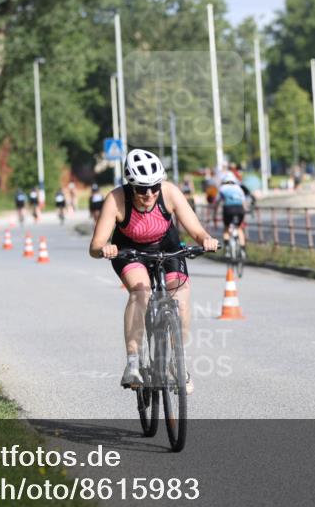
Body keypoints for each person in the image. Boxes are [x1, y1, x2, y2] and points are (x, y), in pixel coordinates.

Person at [89, 149, 218, 391]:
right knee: (141, 292)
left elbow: (196, 230)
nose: (149, 194)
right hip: (130, 252)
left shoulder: (169, 193)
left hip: (168, 248)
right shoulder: (116, 199)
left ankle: (177, 363)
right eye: (141, 189)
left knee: (181, 298)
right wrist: (105, 249)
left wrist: (206, 240)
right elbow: (95, 246)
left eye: (154, 187)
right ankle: (133, 363)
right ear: (131, 186)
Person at [215, 171, 254, 253]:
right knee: (239, 228)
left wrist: (214, 214)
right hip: (239, 209)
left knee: (226, 227)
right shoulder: (239, 188)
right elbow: (244, 203)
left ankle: (227, 249)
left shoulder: (222, 188)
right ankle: (243, 250)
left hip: (228, 209)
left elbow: (217, 202)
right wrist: (245, 214)